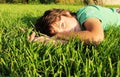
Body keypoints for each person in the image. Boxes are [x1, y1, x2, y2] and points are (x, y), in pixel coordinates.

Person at [28, 5, 120, 44]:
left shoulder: (86, 12)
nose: (67, 32)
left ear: (66, 13)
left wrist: (58, 35)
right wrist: (51, 42)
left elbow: (96, 38)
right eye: (57, 32)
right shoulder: (79, 29)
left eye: (63, 25)